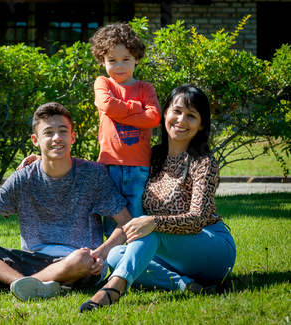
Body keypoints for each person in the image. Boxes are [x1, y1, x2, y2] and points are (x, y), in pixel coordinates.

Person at [0, 102, 133, 302]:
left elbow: (125, 222)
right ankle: (32, 284)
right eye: (48, 133)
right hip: (31, 260)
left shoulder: (93, 174)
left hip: (78, 262)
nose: (57, 138)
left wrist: (101, 253)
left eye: (62, 131)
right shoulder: (22, 179)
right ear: (35, 140)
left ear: (73, 137)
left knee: (82, 259)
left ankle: (12, 282)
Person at [79, 84, 237, 312]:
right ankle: (186, 286)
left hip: (211, 248)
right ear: (165, 114)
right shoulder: (151, 157)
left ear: (201, 124)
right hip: (171, 253)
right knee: (116, 255)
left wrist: (154, 222)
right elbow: (110, 166)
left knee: (150, 230)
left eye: (191, 116)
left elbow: (198, 218)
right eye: (177, 111)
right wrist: (49, 162)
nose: (181, 120)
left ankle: (112, 290)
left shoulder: (203, 162)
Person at [89, 22, 161, 238]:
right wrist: (136, 108)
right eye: (112, 60)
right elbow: (107, 105)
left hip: (139, 166)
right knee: (112, 219)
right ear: (102, 60)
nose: (119, 66)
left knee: (137, 218)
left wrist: (123, 111)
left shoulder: (145, 88)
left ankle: (140, 262)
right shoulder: (104, 83)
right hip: (109, 165)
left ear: (136, 59)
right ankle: (113, 262)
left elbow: (154, 118)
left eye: (126, 59)